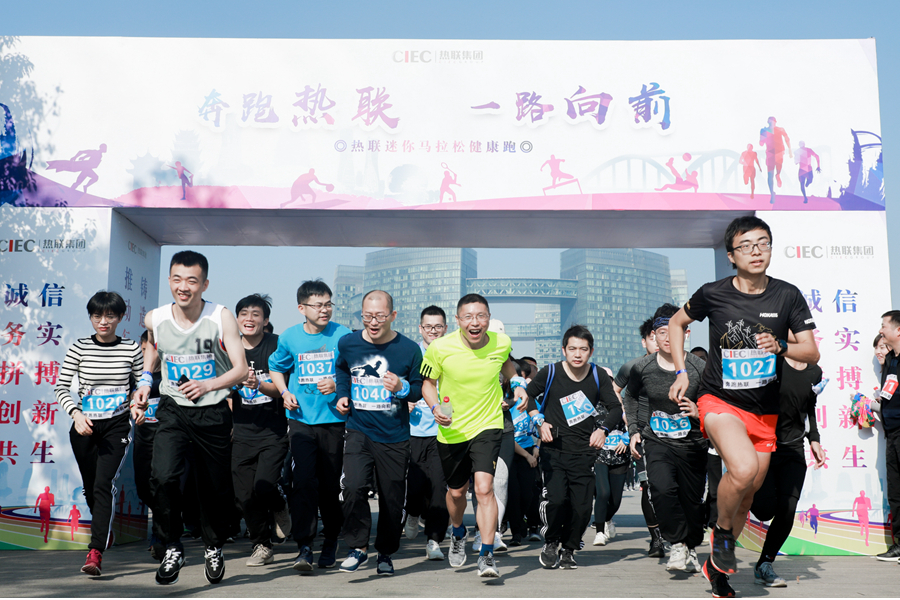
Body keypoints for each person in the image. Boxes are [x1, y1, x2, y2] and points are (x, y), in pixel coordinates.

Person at [667, 215, 818, 598]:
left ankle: (717, 570)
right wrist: (682, 371)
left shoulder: (787, 295)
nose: (756, 251)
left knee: (748, 494)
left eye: (763, 243)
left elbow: (811, 351)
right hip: (719, 401)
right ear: (731, 255)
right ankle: (721, 533)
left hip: (764, 412)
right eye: (746, 245)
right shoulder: (713, 293)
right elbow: (676, 323)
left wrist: (781, 346)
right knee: (744, 468)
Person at [134, 251, 248, 586]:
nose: (183, 287)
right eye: (177, 279)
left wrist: (208, 384)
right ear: (169, 280)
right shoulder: (155, 318)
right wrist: (145, 380)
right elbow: (153, 345)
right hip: (173, 409)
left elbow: (241, 369)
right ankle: (172, 545)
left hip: (212, 411)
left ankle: (213, 545)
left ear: (204, 284)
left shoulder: (220, 317)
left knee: (213, 487)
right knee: (163, 477)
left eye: (192, 281)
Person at [421, 293, 518, 578]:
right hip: (453, 429)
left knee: (484, 489)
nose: (475, 322)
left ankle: (486, 555)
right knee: (456, 492)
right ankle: (458, 531)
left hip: (488, 424)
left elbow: (507, 366)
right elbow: (427, 384)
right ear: (458, 320)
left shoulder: (502, 342)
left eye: (481, 316)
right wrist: (435, 407)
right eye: (468, 317)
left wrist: (519, 384)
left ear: (489, 318)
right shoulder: (439, 348)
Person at [514, 325, 622, 570]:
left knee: (582, 507)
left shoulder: (597, 375)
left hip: (585, 451)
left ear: (591, 351)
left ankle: (570, 548)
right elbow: (528, 397)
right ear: (564, 350)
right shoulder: (551, 372)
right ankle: (551, 542)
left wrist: (603, 430)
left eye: (583, 349)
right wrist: (538, 421)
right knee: (556, 501)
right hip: (553, 449)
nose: (577, 354)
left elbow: (615, 408)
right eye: (572, 349)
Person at [335, 290, 423, 576]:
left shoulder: (408, 349)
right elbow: (342, 371)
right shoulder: (348, 343)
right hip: (358, 429)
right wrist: (342, 394)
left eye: (380, 316)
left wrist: (402, 388)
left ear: (393, 315)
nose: (373, 322)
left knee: (392, 499)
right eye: (367, 316)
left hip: (394, 436)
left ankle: (385, 553)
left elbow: (419, 388)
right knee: (352, 487)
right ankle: (358, 547)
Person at [55, 291, 143, 575]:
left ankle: (95, 553)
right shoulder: (79, 347)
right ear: (91, 317)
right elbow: (61, 386)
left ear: (120, 317)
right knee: (92, 486)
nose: (103, 321)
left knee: (104, 483)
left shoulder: (131, 348)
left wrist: (138, 404)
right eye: (97, 316)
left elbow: (141, 385)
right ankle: (104, 529)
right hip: (85, 426)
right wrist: (76, 414)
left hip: (117, 426)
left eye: (110, 316)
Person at [269, 280, 351, 572]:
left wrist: (338, 385)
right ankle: (304, 546)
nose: (324, 310)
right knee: (303, 482)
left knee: (329, 487)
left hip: (334, 422)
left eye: (328, 304)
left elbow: (356, 371)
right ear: (302, 308)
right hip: (301, 420)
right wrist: (284, 392)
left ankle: (331, 540)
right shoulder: (290, 337)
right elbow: (276, 367)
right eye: (318, 305)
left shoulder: (343, 335)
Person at [623, 304, 707, 574]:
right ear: (654, 336)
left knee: (692, 502)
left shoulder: (699, 367)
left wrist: (699, 411)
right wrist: (634, 430)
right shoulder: (643, 367)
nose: (668, 337)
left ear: (686, 333)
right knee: (661, 489)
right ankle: (677, 543)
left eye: (675, 331)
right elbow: (630, 396)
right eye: (662, 332)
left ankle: (691, 545)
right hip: (657, 440)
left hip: (693, 444)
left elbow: (716, 400)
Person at [749, 332, 825, 586]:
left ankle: (765, 563)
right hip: (764, 446)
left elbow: (809, 407)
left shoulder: (815, 371)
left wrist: (814, 439)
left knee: (787, 509)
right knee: (764, 510)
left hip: (793, 449)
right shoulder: (772, 362)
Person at [230, 294, 291, 567]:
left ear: (265, 321)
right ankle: (262, 545)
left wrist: (258, 385)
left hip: (274, 430)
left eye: (256, 314)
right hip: (242, 431)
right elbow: (223, 387)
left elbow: (283, 389)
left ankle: (279, 504)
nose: (249, 319)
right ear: (237, 319)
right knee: (244, 495)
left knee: (264, 485)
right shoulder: (229, 348)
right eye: (244, 313)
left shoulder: (277, 346)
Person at [613, 318, 666, 558]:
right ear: (644, 341)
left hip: (676, 434)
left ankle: (675, 533)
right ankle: (656, 539)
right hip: (644, 433)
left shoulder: (680, 365)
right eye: (652, 338)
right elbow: (615, 390)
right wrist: (627, 417)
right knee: (648, 485)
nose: (658, 342)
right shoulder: (633, 367)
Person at [404, 306, 450, 560]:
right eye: (428, 327)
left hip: (443, 431)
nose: (433, 331)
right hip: (412, 430)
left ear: (446, 328)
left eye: (438, 326)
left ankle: (434, 540)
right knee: (415, 486)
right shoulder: (411, 353)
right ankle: (412, 512)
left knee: (439, 487)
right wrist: (404, 400)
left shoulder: (452, 353)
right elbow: (396, 384)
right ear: (420, 328)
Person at [134, 330, 164, 558]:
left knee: (163, 486)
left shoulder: (172, 376)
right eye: (144, 350)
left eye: (153, 350)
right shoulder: (137, 377)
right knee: (144, 489)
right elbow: (127, 398)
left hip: (167, 440)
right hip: (143, 440)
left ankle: (160, 537)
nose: (149, 355)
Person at [592, 375, 630, 547]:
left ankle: (607, 519)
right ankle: (599, 531)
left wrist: (627, 439)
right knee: (603, 493)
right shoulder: (591, 406)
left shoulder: (623, 405)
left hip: (620, 456)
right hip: (599, 456)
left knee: (615, 500)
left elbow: (636, 424)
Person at [506, 360, 540, 547]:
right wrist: (527, 456)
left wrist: (537, 448)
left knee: (528, 493)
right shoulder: (505, 403)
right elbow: (506, 435)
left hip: (529, 451)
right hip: (510, 452)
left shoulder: (530, 401)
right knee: (513, 494)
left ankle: (527, 523)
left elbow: (541, 424)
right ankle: (516, 533)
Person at [875, 311, 900, 561]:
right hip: (891, 433)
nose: (881, 330)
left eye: (884, 326)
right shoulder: (891, 360)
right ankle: (899, 544)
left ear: (898, 330)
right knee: (895, 492)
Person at [759, 117, 792, 203]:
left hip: (779, 152)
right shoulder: (764, 130)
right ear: (768, 122)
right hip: (770, 154)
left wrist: (790, 150)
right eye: (770, 121)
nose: (771, 123)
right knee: (770, 175)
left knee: (778, 167)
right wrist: (762, 135)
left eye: (772, 121)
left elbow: (787, 138)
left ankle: (778, 174)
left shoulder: (780, 129)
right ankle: (772, 194)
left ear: (775, 122)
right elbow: (761, 143)